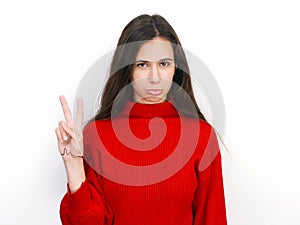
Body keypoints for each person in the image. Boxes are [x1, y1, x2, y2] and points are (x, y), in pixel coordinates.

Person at [55, 14, 227, 225]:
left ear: (176, 68)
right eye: (143, 64)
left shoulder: (201, 136)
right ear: (127, 69)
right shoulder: (95, 136)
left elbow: (213, 219)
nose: (155, 76)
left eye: (164, 64)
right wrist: (73, 166)